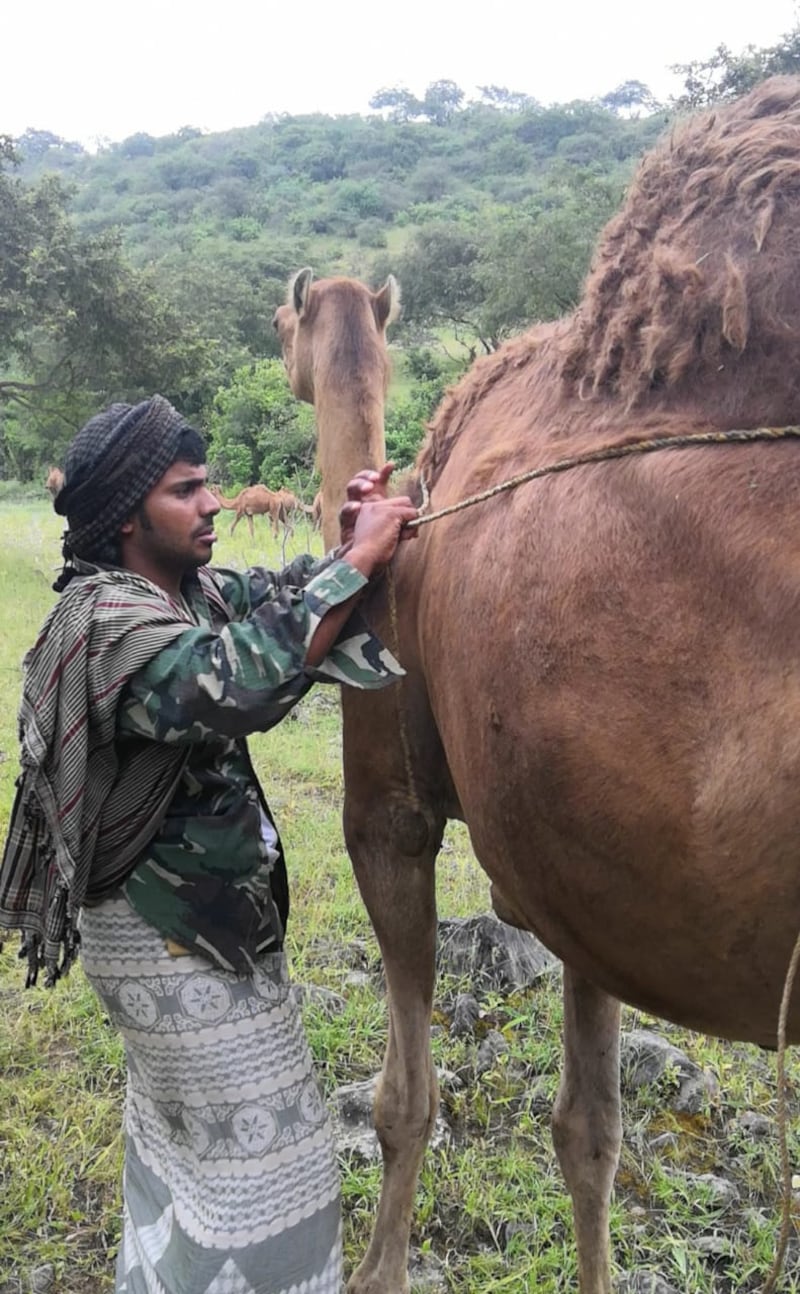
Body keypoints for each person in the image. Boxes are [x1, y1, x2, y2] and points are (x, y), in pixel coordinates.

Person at [0, 394, 418, 1294]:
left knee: (181, 1147)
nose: (215, 503)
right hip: (164, 937)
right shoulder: (108, 623)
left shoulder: (183, 592)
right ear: (124, 516)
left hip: (192, 928)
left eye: (210, 486)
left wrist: (347, 542)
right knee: (270, 1174)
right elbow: (231, 683)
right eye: (188, 491)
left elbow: (280, 599)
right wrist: (356, 561)